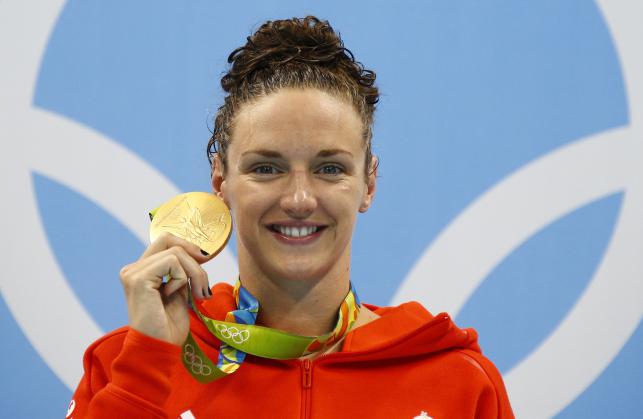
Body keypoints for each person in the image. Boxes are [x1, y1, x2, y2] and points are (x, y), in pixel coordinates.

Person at [67, 16, 514, 419]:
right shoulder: (123, 367)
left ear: (369, 184)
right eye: (266, 167)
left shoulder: (458, 380)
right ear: (220, 182)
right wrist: (146, 369)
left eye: (330, 168)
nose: (299, 198)